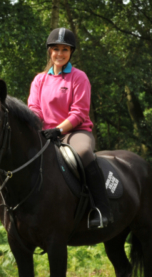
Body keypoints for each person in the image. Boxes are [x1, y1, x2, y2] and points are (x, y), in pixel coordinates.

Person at [27, 27, 112, 228]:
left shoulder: (79, 77)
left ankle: (101, 208)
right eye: (56, 49)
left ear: (70, 52)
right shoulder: (40, 79)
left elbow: (80, 112)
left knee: (83, 153)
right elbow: (34, 109)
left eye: (65, 49)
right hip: (45, 133)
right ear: (50, 51)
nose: (60, 53)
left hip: (75, 132)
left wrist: (58, 130)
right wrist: (39, 128)